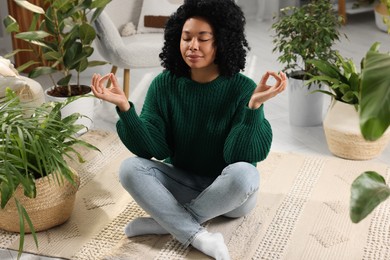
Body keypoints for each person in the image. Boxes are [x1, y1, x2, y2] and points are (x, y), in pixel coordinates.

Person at [91, 0, 287, 259]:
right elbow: (153, 149)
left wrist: (253, 108)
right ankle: (198, 235)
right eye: (186, 38)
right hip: (181, 184)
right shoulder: (164, 84)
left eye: (203, 38)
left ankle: (167, 223)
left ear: (222, 41)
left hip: (229, 196)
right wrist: (126, 110)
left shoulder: (242, 88)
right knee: (129, 168)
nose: (192, 46)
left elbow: (239, 156)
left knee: (246, 174)